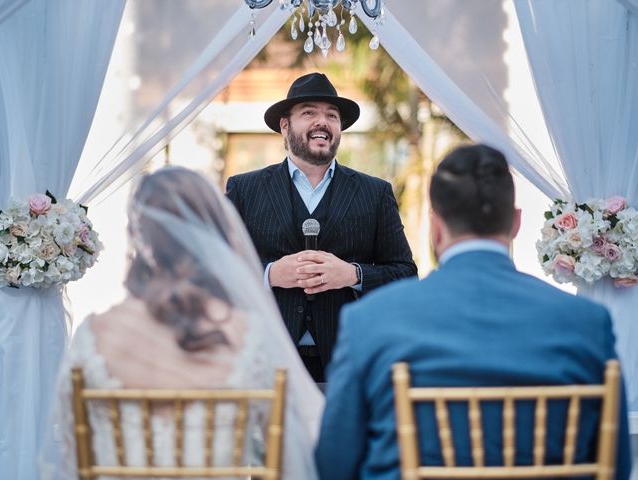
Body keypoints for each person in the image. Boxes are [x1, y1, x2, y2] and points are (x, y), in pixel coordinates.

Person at [315, 144, 631, 479]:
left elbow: (334, 463)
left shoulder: (369, 321)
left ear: (436, 228)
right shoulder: (587, 322)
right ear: (516, 223)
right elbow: (616, 464)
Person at [40, 168, 323, 479]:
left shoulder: (94, 335)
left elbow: (71, 457)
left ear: (139, 236)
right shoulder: (247, 336)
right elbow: (285, 463)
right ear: (217, 234)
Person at [226, 72, 417, 382]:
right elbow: (219, 267)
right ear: (284, 126)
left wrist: (352, 274)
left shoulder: (375, 193)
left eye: (332, 115)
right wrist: (271, 274)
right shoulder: (244, 189)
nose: (323, 122)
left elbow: (405, 274)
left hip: (350, 364)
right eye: (309, 113)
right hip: (264, 361)